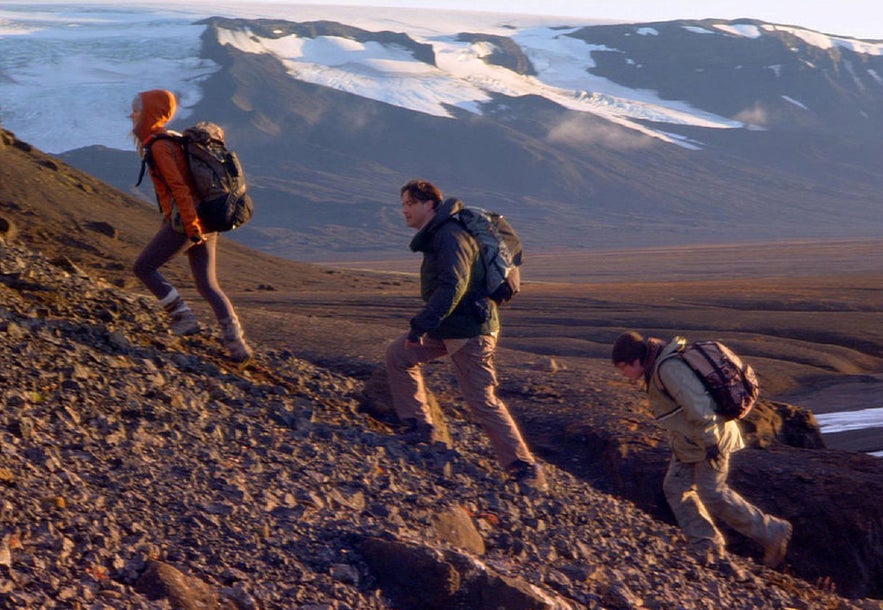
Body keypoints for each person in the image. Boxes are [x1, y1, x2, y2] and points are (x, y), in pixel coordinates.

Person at [385, 179, 546, 492]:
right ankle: (419, 427)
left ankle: (525, 468)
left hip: (471, 332)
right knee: (399, 355)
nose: (403, 210)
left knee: (481, 399)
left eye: (408, 204)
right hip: (450, 327)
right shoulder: (441, 233)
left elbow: (453, 286)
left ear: (428, 204)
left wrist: (421, 324)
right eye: (402, 204)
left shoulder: (449, 235)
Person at [611, 331, 792, 578]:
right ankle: (705, 544)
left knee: (713, 492)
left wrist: (710, 442)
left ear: (635, 361)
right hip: (689, 443)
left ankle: (772, 532)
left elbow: (700, 407)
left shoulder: (668, 369)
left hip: (709, 440)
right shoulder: (658, 369)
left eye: (623, 368)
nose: (623, 374)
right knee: (676, 487)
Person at [130, 89, 251, 363]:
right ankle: (237, 345)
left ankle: (182, 316)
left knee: (143, 267)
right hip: (205, 219)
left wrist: (191, 226)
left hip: (189, 221)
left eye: (136, 110)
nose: (131, 115)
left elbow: (180, 189)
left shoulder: (160, 145)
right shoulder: (171, 139)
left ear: (149, 112)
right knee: (208, 285)